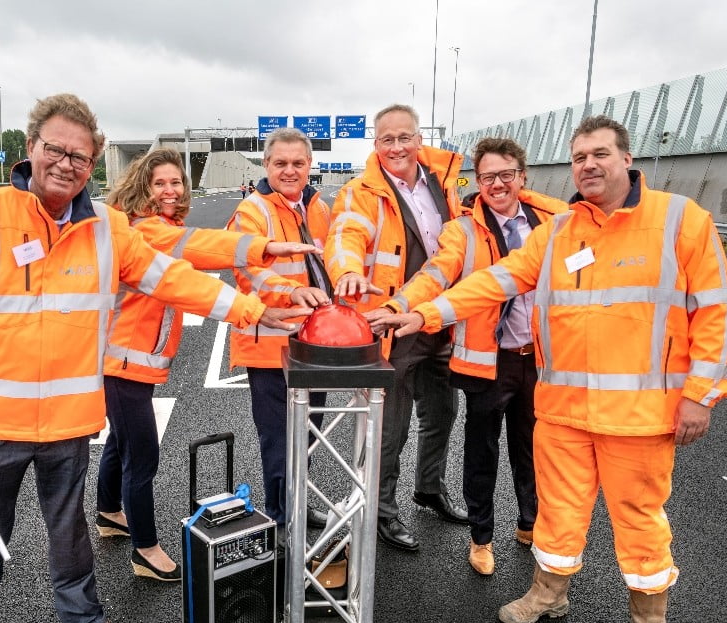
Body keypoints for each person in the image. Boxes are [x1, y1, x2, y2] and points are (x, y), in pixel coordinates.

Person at [0, 94, 309, 623]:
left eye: (80, 156)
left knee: (70, 533)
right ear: (30, 149)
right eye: (56, 150)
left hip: (67, 420)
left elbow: (174, 274)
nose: (67, 163)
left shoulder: (107, 229)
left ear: (92, 165)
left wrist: (253, 304)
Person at [372, 115, 727, 623]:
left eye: (600, 155)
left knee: (640, 520)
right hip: (563, 410)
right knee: (558, 513)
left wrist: (700, 395)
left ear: (626, 160)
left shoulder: (679, 220)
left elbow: (714, 312)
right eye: (579, 158)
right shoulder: (562, 232)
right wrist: (420, 312)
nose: (588, 165)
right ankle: (548, 593)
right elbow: (493, 282)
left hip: (639, 416)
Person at [95, 148, 319, 579]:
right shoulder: (144, 231)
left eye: (176, 182)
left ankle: (108, 511)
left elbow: (192, 244)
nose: (170, 190)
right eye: (160, 183)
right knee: (142, 454)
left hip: (130, 359)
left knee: (122, 440)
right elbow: (200, 246)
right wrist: (263, 247)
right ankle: (145, 550)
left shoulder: (157, 226)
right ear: (143, 184)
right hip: (121, 360)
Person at [378, 137, 568, 575]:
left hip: (541, 359)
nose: (497, 184)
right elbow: (436, 274)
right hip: (489, 360)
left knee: (535, 447)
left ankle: (528, 522)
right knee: (481, 452)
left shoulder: (556, 221)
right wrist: (402, 306)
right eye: (487, 177)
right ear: (476, 181)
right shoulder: (461, 229)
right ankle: (481, 538)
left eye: (506, 175)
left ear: (523, 175)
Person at [324, 104, 466, 551]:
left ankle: (429, 487)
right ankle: (382, 511)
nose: (398, 147)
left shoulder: (444, 184)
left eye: (405, 137)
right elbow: (345, 233)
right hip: (391, 325)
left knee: (443, 412)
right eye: (388, 139)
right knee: (389, 428)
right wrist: (346, 269)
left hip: (439, 320)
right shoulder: (360, 192)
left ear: (419, 139)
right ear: (376, 145)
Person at [226, 127, 332, 534]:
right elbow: (250, 270)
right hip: (270, 347)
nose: (290, 171)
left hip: (314, 343)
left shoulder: (317, 208)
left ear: (309, 167)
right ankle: (282, 519)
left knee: (308, 435)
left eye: (298, 163)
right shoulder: (253, 211)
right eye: (281, 163)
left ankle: (298, 505)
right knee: (279, 441)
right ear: (266, 165)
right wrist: (294, 292)